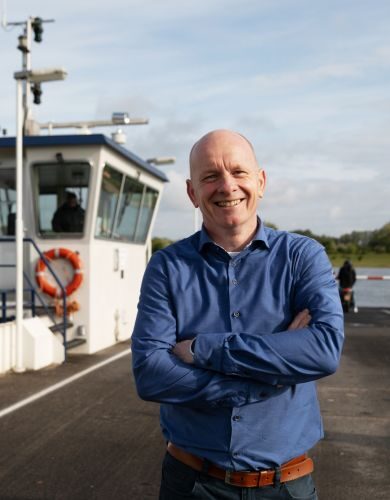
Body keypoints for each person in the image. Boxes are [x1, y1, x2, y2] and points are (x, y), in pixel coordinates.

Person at [131, 130, 344, 500]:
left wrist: (205, 350)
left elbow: (323, 349)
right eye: (210, 176)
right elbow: (151, 374)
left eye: (238, 172)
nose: (227, 186)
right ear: (191, 193)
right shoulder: (167, 267)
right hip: (192, 483)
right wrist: (268, 379)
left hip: (285, 486)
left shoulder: (302, 257)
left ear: (260, 182)